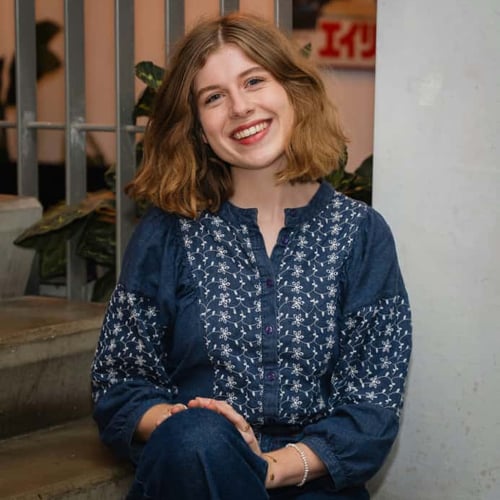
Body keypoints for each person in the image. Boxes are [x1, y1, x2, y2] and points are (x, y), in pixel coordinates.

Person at [91, 12, 412, 500]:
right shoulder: (168, 232)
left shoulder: (360, 234)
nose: (240, 107)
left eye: (254, 81)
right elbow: (119, 381)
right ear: (198, 128)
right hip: (192, 474)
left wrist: (262, 469)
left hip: (312, 482)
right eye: (213, 97)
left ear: (292, 91)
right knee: (198, 437)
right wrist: (198, 434)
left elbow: (372, 406)